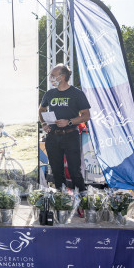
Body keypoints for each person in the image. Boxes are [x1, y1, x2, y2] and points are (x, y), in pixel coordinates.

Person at [39, 63, 90, 194]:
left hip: (71, 135)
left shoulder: (77, 93)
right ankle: (61, 199)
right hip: (53, 136)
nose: (50, 78)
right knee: (56, 171)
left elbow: (86, 115)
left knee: (74, 170)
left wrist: (69, 122)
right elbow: (41, 109)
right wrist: (44, 124)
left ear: (62, 76)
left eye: (53, 75)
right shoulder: (49, 93)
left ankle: (82, 198)